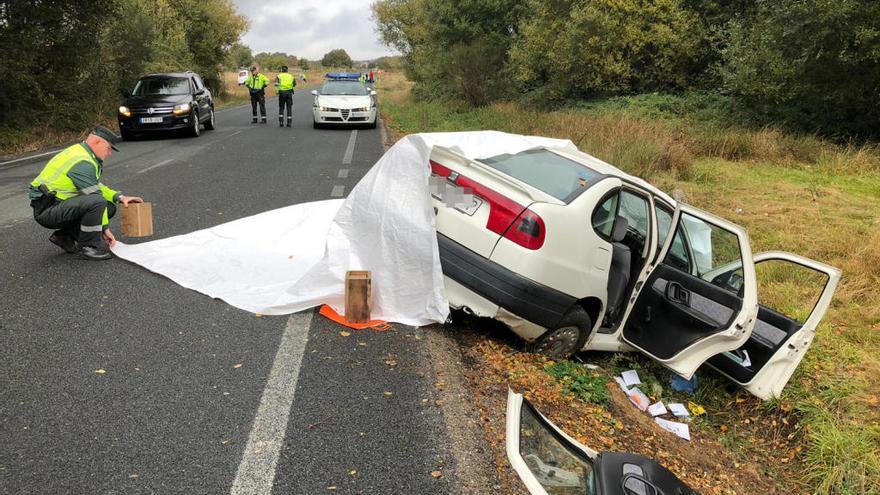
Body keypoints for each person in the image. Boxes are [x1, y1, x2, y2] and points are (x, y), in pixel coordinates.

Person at [28, 125, 144, 260]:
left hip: (54, 204)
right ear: (96, 142)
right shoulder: (83, 162)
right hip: (47, 210)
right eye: (108, 148)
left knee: (109, 207)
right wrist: (105, 229)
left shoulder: (81, 153)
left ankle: (65, 236)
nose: (109, 153)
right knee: (98, 202)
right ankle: (89, 247)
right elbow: (95, 196)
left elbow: (94, 186)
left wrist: (119, 197)